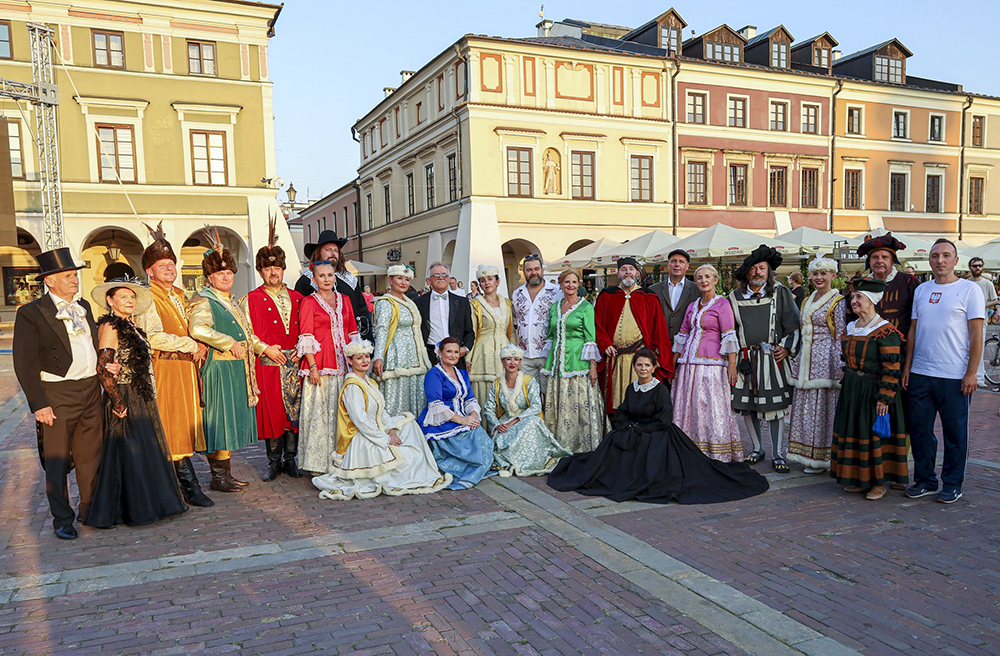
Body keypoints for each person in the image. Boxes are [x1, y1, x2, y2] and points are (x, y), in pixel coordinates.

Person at [547, 348, 769, 503]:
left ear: (654, 367)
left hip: (657, 433)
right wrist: (627, 427)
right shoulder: (632, 387)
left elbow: (664, 419)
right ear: (634, 367)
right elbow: (623, 411)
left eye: (647, 365)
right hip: (635, 430)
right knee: (612, 444)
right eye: (639, 365)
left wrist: (641, 431)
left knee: (648, 454)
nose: (642, 369)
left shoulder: (660, 389)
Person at [13, 248, 106, 539]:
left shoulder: (84, 307)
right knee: (56, 460)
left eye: (75, 274)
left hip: (90, 389)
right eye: (67, 276)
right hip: (57, 393)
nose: (74, 280)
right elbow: (24, 362)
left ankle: (90, 508)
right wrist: (39, 404)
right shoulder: (31, 312)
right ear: (50, 281)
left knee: (91, 455)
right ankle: (62, 518)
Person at [85, 279, 188, 528]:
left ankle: (150, 503)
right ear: (110, 300)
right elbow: (103, 368)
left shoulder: (131, 325)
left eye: (132, 297)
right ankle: (132, 509)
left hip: (139, 393)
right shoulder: (110, 325)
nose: (129, 301)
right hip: (124, 395)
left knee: (143, 451)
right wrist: (118, 403)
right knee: (128, 452)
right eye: (123, 296)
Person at [189, 231, 285, 492]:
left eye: (229, 274)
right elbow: (198, 329)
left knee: (228, 422)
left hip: (234, 369)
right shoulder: (205, 300)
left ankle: (225, 475)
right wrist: (227, 342)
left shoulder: (231, 301)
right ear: (210, 277)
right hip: (219, 369)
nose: (226, 277)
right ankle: (218, 477)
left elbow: (248, 335)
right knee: (219, 423)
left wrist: (264, 348)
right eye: (220, 274)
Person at [134, 223, 213, 507]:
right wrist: (191, 344)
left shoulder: (178, 295)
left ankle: (180, 485)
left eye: (171, 264)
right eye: (161, 265)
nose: (168, 268)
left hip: (185, 370)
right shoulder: (146, 297)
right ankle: (187, 486)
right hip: (165, 368)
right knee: (173, 426)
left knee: (186, 425)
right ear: (150, 271)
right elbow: (152, 337)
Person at [312, 338, 451, 499]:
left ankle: (424, 465)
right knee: (407, 458)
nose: (365, 361)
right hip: (362, 438)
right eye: (359, 358)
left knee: (410, 424)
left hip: (376, 429)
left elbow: (382, 412)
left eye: (366, 357)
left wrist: (391, 431)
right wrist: (385, 439)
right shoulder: (352, 386)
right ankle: (412, 466)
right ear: (350, 361)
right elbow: (361, 421)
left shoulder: (369, 382)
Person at [903, 239, 985, 504]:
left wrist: (971, 372)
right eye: (935, 255)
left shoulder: (970, 290)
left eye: (946, 255)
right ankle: (925, 480)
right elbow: (913, 330)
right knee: (919, 431)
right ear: (929, 260)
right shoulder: (922, 290)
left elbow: (976, 334)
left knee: (955, 433)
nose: (940, 260)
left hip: (954, 375)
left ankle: (952, 483)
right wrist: (908, 367)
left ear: (955, 260)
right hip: (921, 373)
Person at [830, 277, 909, 500]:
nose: (854, 301)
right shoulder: (851, 326)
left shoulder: (885, 330)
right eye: (852, 297)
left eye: (859, 297)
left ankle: (878, 483)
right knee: (855, 432)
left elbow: (892, 366)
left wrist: (885, 397)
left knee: (873, 435)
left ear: (872, 300)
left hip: (873, 390)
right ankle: (859, 479)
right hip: (853, 390)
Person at [240, 220, 304, 481]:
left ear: (283, 269)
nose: (273, 273)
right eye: (267, 268)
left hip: (296, 363)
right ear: (260, 271)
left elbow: (308, 330)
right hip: (268, 364)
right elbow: (246, 333)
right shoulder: (250, 299)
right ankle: (274, 462)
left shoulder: (300, 298)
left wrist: (302, 349)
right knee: (273, 413)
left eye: (277, 268)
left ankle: (291, 460)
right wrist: (265, 348)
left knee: (295, 413)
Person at [728, 245, 800, 473]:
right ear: (746, 273)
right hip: (745, 359)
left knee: (775, 407)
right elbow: (728, 330)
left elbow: (795, 324)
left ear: (769, 272)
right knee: (747, 406)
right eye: (754, 269)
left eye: (762, 268)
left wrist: (787, 349)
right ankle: (757, 448)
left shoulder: (781, 293)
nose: (758, 272)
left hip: (772, 358)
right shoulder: (734, 297)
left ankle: (778, 453)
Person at [671, 265, 742, 462]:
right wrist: (672, 364)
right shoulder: (693, 306)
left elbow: (729, 335)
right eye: (700, 277)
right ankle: (689, 446)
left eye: (708, 277)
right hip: (688, 364)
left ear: (715, 280)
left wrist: (732, 365)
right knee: (689, 405)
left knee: (710, 405)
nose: (704, 281)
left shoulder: (722, 305)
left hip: (711, 364)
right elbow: (683, 334)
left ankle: (715, 450)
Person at [296, 260, 359, 474]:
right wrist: (313, 367)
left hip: (345, 365)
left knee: (342, 413)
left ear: (335, 277)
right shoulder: (308, 302)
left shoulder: (345, 300)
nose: (326, 279)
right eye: (321, 276)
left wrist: (357, 362)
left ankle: (343, 458)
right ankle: (318, 463)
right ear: (314, 279)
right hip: (321, 366)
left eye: (330, 275)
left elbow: (353, 333)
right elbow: (306, 335)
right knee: (320, 414)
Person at [787, 258, 846, 474]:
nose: (819, 278)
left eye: (823, 273)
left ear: (832, 275)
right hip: (807, 358)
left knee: (824, 408)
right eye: (815, 274)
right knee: (807, 407)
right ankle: (806, 454)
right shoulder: (808, 299)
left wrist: (840, 362)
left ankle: (824, 457)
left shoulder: (838, 301)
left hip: (826, 359)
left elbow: (840, 333)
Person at [594, 257, 672, 417]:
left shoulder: (648, 297)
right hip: (614, 358)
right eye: (624, 269)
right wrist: (604, 343)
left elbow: (659, 329)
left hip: (639, 357)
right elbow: (596, 324)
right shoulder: (607, 295)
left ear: (637, 273)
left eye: (631, 269)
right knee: (614, 403)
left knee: (641, 403)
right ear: (617, 272)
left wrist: (658, 356)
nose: (627, 272)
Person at [418, 337, 496, 489]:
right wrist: (461, 420)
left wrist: (473, 415)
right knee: (472, 436)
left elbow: (469, 399)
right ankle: (467, 471)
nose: (453, 355)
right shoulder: (434, 374)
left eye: (456, 352)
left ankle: (477, 468)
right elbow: (436, 405)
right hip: (442, 422)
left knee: (479, 434)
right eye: (449, 351)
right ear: (440, 352)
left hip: (463, 418)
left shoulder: (462, 374)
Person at [484, 344, 571, 476]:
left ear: (520, 361)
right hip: (505, 423)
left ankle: (529, 462)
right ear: (502, 361)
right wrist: (497, 424)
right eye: (508, 359)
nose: (512, 362)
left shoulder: (529, 381)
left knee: (532, 423)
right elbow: (488, 409)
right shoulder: (496, 384)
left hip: (526, 420)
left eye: (516, 359)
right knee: (503, 439)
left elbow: (536, 406)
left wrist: (515, 421)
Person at [542, 269, 604, 452]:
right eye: (566, 282)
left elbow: (590, 338)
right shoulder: (554, 307)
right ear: (560, 284)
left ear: (579, 285)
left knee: (578, 402)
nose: (570, 285)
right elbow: (551, 335)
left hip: (578, 361)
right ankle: (559, 441)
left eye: (574, 282)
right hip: (556, 362)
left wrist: (593, 365)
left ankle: (580, 444)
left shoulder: (586, 307)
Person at [372, 264, 431, 416]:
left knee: (413, 393)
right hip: (395, 355)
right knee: (395, 396)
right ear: (390, 280)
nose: (404, 282)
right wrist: (378, 356)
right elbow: (382, 330)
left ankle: (413, 431)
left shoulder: (408, 301)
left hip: (412, 355)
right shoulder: (386, 303)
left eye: (407, 279)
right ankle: (394, 430)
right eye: (400, 278)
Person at [294, 230, 372, 343]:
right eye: (328, 250)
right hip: (321, 342)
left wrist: (364, 339)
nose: (333, 253)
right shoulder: (307, 280)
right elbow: (299, 314)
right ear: (318, 253)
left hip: (351, 341)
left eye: (336, 250)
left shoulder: (349, 279)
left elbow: (362, 309)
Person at [847, 233, 920, 338]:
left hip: (900, 348)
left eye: (885, 257)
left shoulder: (908, 282)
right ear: (869, 261)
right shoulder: (860, 284)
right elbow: (852, 317)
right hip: (867, 348)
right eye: (875, 257)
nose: (879, 261)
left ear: (892, 260)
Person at [511, 254, 562, 395]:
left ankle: (548, 418)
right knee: (528, 395)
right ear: (523, 272)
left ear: (542, 270)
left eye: (536, 269)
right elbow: (516, 324)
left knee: (550, 394)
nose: (533, 272)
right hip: (525, 355)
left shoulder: (556, 292)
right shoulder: (517, 294)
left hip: (548, 354)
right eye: (529, 270)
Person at [468, 264, 515, 403]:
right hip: (483, 351)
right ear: (480, 285)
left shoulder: (506, 303)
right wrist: (468, 358)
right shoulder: (475, 304)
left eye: (490, 279)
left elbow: (511, 330)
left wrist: (515, 352)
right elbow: (472, 331)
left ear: (497, 281)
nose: (487, 283)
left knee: (506, 391)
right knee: (486, 393)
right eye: (482, 280)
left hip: (504, 349)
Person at [414, 262, 475, 366]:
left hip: (456, 356)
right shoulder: (418, 303)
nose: (441, 277)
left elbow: (469, 331)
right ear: (429, 281)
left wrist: (465, 349)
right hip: (429, 357)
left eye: (444, 275)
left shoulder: (462, 302)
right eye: (436, 275)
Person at [650, 249, 700, 343]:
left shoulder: (697, 290)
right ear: (668, 265)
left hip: (687, 344)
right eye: (673, 261)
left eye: (681, 262)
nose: (677, 264)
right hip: (660, 344)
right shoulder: (654, 290)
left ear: (687, 266)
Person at [968, 257, 998, 387]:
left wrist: (982, 305)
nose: (978, 268)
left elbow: (995, 299)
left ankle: (979, 377)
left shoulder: (987, 283)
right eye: (975, 266)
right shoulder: (966, 282)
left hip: (982, 321)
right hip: (966, 321)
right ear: (970, 267)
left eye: (980, 266)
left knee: (978, 349)